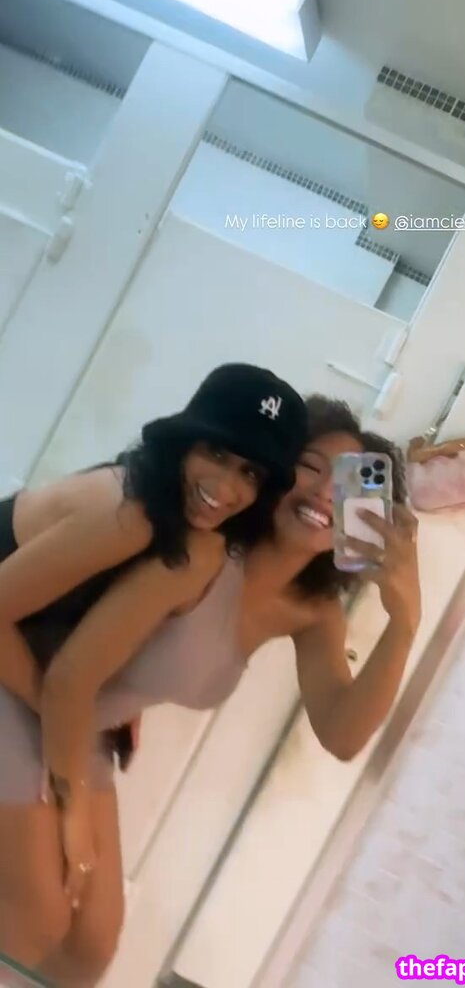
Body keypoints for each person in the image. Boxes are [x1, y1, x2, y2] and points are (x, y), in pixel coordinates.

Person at [3, 390, 420, 988]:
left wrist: (404, 621)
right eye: (310, 467)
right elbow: (69, 674)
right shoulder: (203, 552)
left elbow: (343, 734)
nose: (326, 493)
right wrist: (71, 812)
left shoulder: (313, 612)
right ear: (273, 471)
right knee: (37, 920)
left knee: (91, 947)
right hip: (28, 689)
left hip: (76, 723)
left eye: (352, 484)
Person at [0, 362, 308, 985]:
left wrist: (84, 709)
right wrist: (60, 729)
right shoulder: (129, 514)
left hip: (30, 664)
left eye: (250, 473)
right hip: (20, 665)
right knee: (36, 922)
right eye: (215, 454)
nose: (226, 486)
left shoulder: (195, 538)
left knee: (91, 944)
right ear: (183, 441)